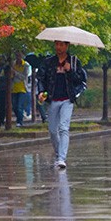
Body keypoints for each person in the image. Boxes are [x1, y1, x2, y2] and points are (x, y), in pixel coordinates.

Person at [37, 40, 87, 169]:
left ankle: (61, 158)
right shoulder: (48, 62)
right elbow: (41, 78)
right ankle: (59, 153)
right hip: (53, 100)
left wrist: (70, 71)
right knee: (53, 131)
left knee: (64, 128)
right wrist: (41, 92)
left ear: (67, 45)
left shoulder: (74, 61)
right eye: (56, 44)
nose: (58, 47)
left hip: (67, 99)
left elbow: (80, 80)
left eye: (61, 44)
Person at [11, 52, 30, 127]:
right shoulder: (13, 64)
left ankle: (19, 121)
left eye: (19, 55)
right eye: (17, 55)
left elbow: (24, 76)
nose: (18, 57)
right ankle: (20, 116)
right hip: (14, 88)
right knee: (14, 106)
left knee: (19, 106)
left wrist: (15, 73)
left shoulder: (26, 65)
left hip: (22, 88)